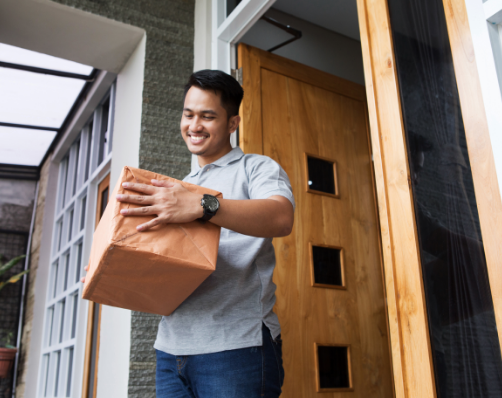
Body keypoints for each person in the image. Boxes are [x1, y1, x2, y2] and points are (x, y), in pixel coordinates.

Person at [86, 70, 295, 397]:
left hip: (236, 346)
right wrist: (111, 266)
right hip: (171, 350)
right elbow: (168, 266)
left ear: (232, 124)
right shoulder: (176, 187)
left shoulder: (256, 168)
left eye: (208, 116)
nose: (194, 125)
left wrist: (202, 205)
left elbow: (282, 217)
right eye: (189, 114)